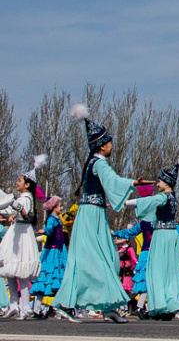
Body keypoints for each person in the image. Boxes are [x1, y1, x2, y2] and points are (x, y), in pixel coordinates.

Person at [54, 105, 154, 323]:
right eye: (109, 142)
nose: (112, 145)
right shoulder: (99, 163)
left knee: (108, 257)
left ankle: (107, 306)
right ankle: (66, 304)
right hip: (91, 215)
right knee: (91, 259)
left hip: (94, 214)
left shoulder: (95, 162)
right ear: (101, 145)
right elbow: (113, 181)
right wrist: (134, 183)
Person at [124, 155, 179, 320]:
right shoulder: (175, 198)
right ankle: (170, 304)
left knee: (157, 270)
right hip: (171, 235)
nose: (157, 184)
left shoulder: (163, 197)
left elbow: (146, 202)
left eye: (159, 181)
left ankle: (160, 305)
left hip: (161, 236)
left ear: (166, 182)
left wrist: (125, 202)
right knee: (171, 271)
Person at [0, 156, 44, 320]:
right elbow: (12, 211)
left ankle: (25, 307)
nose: (16, 182)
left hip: (22, 235)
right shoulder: (21, 198)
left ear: (27, 185)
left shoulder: (25, 199)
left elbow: (21, 210)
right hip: (16, 232)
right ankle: (14, 305)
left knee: (21, 272)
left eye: (19, 180)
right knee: (11, 271)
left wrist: (12, 204)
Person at [32, 195, 72, 320]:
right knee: (46, 278)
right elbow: (49, 229)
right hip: (52, 252)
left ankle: (54, 307)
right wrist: (44, 231)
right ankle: (37, 309)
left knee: (57, 279)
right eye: (60, 206)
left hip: (59, 251)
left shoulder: (58, 219)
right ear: (54, 207)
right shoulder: (52, 219)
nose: (62, 208)